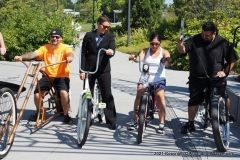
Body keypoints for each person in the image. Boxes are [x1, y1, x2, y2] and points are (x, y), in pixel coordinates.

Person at [176, 21, 238, 134]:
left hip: (216, 77)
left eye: (208, 35)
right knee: (193, 101)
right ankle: (190, 123)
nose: (205, 36)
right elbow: (182, 50)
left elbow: (233, 59)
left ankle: (226, 115)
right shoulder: (194, 40)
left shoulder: (222, 42)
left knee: (223, 96)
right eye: (203, 34)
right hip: (197, 77)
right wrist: (180, 44)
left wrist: (225, 72)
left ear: (214, 33)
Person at [14, 28, 74, 124]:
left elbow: (70, 54)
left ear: (61, 38)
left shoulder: (65, 47)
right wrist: (21, 57)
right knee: (37, 94)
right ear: (50, 38)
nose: (54, 38)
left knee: (64, 93)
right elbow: (33, 54)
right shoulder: (44, 48)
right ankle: (40, 112)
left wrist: (70, 57)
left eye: (57, 37)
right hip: (47, 76)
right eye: (52, 37)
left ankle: (67, 115)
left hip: (62, 76)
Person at [79, 15, 117, 130]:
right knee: (88, 93)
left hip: (103, 70)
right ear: (99, 25)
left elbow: (112, 49)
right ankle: (88, 117)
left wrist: (111, 51)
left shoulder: (109, 36)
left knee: (107, 94)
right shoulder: (89, 35)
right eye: (105, 26)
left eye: (108, 27)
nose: (106, 29)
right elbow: (83, 53)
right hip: (89, 70)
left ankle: (111, 120)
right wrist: (82, 70)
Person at [128, 32, 170, 133]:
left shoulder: (164, 52)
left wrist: (165, 60)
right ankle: (135, 121)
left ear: (160, 43)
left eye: (157, 44)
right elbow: (139, 59)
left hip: (159, 78)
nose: (154, 46)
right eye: (152, 43)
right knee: (139, 92)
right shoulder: (145, 51)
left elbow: (168, 61)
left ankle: (161, 123)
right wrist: (134, 58)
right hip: (145, 78)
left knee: (160, 95)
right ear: (149, 43)